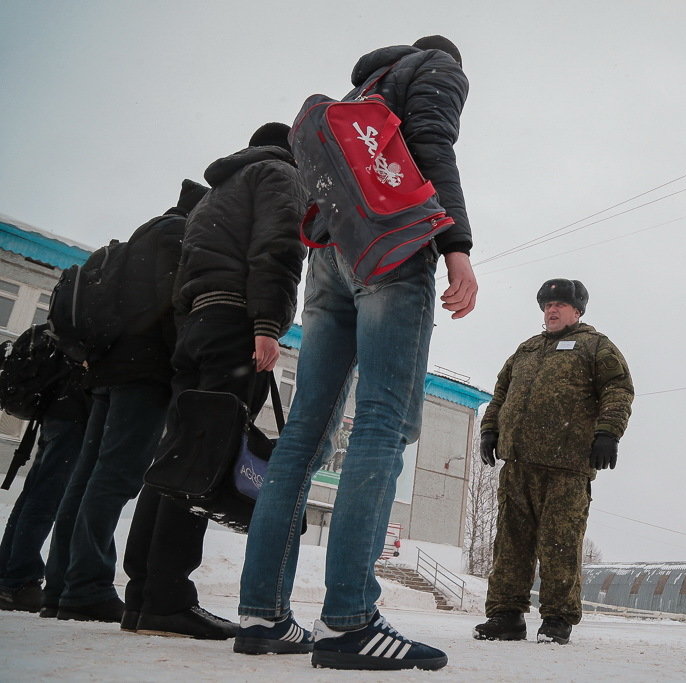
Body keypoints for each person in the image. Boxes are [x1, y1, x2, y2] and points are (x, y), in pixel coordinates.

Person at [234, 36, 476, 671]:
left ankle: (261, 614)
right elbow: (431, 147)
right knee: (381, 422)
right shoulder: (437, 68)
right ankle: (349, 622)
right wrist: (458, 246)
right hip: (391, 250)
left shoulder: (358, 91)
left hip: (329, 259)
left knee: (302, 435)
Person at [124, 123, 306, 640]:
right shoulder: (279, 174)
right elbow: (277, 249)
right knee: (202, 463)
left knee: (175, 457)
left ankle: (142, 596)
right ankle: (168, 600)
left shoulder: (217, 193)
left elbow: (183, 274)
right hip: (235, 325)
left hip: (197, 327)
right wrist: (268, 325)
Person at [40, 180, 209, 623]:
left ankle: (61, 586)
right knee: (113, 479)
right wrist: (182, 365)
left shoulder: (143, 233)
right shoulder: (177, 235)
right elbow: (174, 306)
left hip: (109, 370)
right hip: (144, 373)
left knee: (89, 474)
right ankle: (87, 586)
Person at [474, 278, 634, 645]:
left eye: (560, 304)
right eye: (547, 304)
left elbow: (619, 389)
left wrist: (607, 432)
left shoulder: (595, 347)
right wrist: (490, 430)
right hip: (518, 463)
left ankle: (557, 619)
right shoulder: (526, 350)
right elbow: (501, 393)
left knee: (560, 541)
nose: (552, 310)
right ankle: (506, 615)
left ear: (577, 310)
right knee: (510, 542)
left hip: (567, 464)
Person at [0, 367, 88, 612]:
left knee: (34, 495)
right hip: (75, 413)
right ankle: (19, 580)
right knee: (44, 500)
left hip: (59, 408)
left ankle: (9, 575)